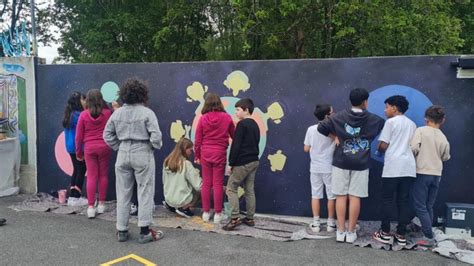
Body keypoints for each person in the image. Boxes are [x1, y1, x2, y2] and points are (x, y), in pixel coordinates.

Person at [318, 88, 384, 243]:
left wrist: (336, 137)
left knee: (340, 196)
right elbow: (383, 127)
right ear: (365, 102)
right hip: (361, 163)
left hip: (340, 161)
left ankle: (340, 231)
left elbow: (321, 127)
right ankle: (351, 231)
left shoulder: (338, 116)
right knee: (355, 197)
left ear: (351, 101)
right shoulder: (375, 119)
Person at [103, 78, 163, 244]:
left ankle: (121, 230)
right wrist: (152, 146)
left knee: (122, 193)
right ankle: (144, 231)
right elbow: (156, 137)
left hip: (123, 153)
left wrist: (119, 146)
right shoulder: (147, 113)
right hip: (142, 152)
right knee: (145, 191)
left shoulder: (117, 113)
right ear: (142, 94)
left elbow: (107, 135)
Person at [372, 96, 416, 246]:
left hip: (393, 167)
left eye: (387, 107)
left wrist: (378, 150)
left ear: (394, 108)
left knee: (387, 200)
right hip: (409, 167)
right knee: (403, 201)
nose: (385, 110)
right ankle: (401, 234)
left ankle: (384, 233)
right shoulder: (412, 124)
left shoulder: (390, 122)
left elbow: (383, 145)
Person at [411, 105, 450, 247]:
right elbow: (446, 157)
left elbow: (414, 148)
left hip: (422, 172)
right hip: (436, 174)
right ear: (442, 120)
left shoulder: (420, 131)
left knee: (420, 205)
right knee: (429, 205)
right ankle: (428, 232)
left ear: (426, 119)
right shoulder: (443, 137)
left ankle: (428, 236)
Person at [194, 93, 235, 223]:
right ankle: (218, 214)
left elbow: (197, 140)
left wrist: (197, 156)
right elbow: (234, 135)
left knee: (206, 183)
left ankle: (206, 213)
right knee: (217, 184)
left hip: (205, 154)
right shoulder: (227, 118)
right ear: (219, 103)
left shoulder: (202, 118)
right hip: (220, 154)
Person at [222, 98, 260, 231]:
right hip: (254, 160)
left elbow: (236, 146)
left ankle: (234, 218)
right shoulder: (255, 124)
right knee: (249, 189)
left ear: (246, 110)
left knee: (231, 188)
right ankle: (250, 218)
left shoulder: (241, 125)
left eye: (238, 110)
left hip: (242, 162)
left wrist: (231, 163)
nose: (236, 112)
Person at [76, 89, 112, 218]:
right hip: (105, 147)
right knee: (103, 175)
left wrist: (78, 152)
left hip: (89, 149)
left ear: (88, 101)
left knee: (91, 177)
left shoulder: (83, 115)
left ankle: (91, 207)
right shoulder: (108, 113)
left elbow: (78, 137)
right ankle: (101, 204)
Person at [303, 104, 337, 233]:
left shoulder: (311, 129)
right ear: (327, 115)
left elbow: (306, 148)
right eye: (332, 112)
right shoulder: (334, 130)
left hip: (315, 167)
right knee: (331, 196)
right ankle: (331, 223)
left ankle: (316, 223)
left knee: (315, 195)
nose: (334, 114)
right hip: (329, 167)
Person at [162, 138, 202, 218]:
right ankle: (184, 208)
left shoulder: (167, 161)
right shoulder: (186, 164)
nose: (191, 152)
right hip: (181, 200)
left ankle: (171, 205)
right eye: (190, 150)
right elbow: (198, 186)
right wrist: (197, 172)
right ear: (184, 149)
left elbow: (164, 181)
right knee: (201, 189)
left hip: (168, 198)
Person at [62, 92, 88, 206]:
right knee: (81, 170)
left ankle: (72, 196)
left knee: (76, 170)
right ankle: (75, 197)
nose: (85, 102)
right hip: (78, 147)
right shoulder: (78, 115)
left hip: (70, 147)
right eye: (83, 99)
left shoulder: (69, 114)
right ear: (78, 101)